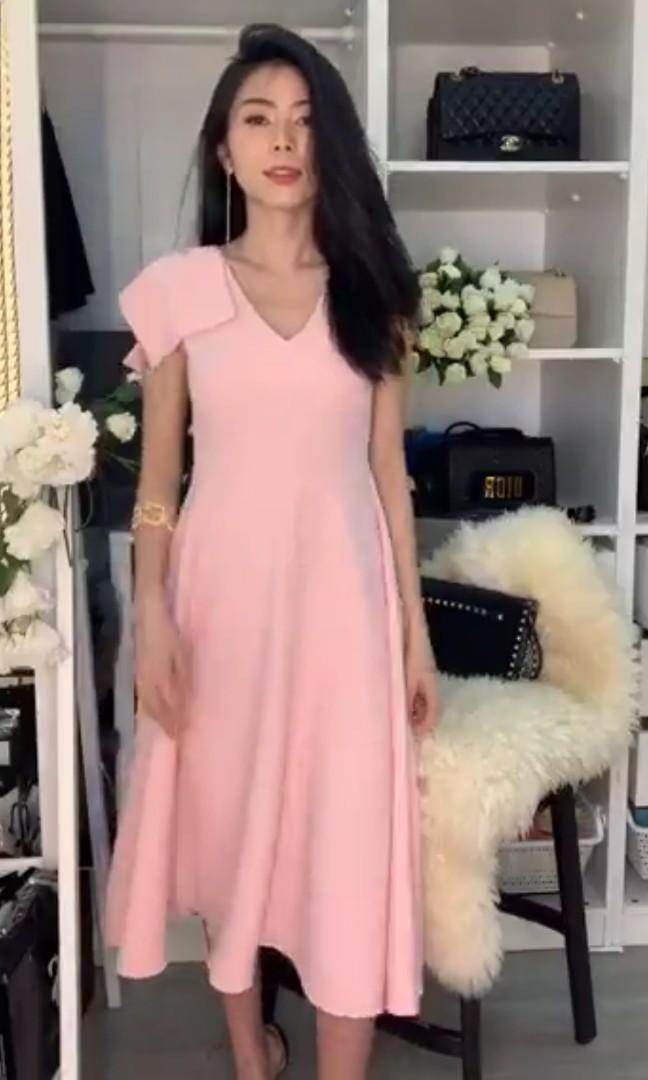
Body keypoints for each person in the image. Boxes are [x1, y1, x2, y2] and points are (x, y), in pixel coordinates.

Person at [105, 22, 438, 1080]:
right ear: (225, 148)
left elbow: (387, 473)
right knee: (230, 829)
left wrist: (416, 636)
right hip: (221, 612)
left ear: (328, 143)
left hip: (346, 609)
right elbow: (159, 487)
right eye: (258, 119)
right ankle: (253, 1056)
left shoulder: (374, 293)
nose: (283, 141)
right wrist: (153, 617)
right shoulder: (180, 290)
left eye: (303, 121)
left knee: (347, 847)